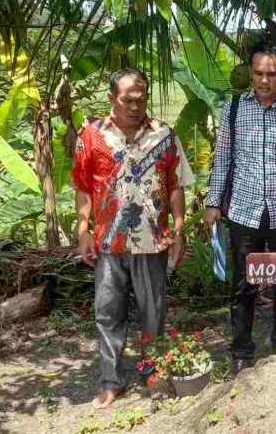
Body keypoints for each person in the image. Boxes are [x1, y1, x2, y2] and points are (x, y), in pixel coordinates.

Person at [71, 68, 195, 409]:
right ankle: (111, 382)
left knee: (153, 311)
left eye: (141, 100)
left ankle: (154, 372)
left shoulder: (164, 135)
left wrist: (180, 228)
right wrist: (82, 232)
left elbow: (176, 186)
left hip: (152, 241)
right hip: (108, 243)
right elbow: (83, 187)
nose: (135, 106)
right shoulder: (92, 135)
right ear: (113, 98)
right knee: (108, 312)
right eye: (128, 100)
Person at [204, 42, 276, 373]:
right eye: (258, 73)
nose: (265, 80)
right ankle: (241, 350)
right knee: (243, 284)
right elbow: (223, 157)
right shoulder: (236, 107)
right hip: (244, 210)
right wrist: (214, 202)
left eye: (272, 74)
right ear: (250, 72)